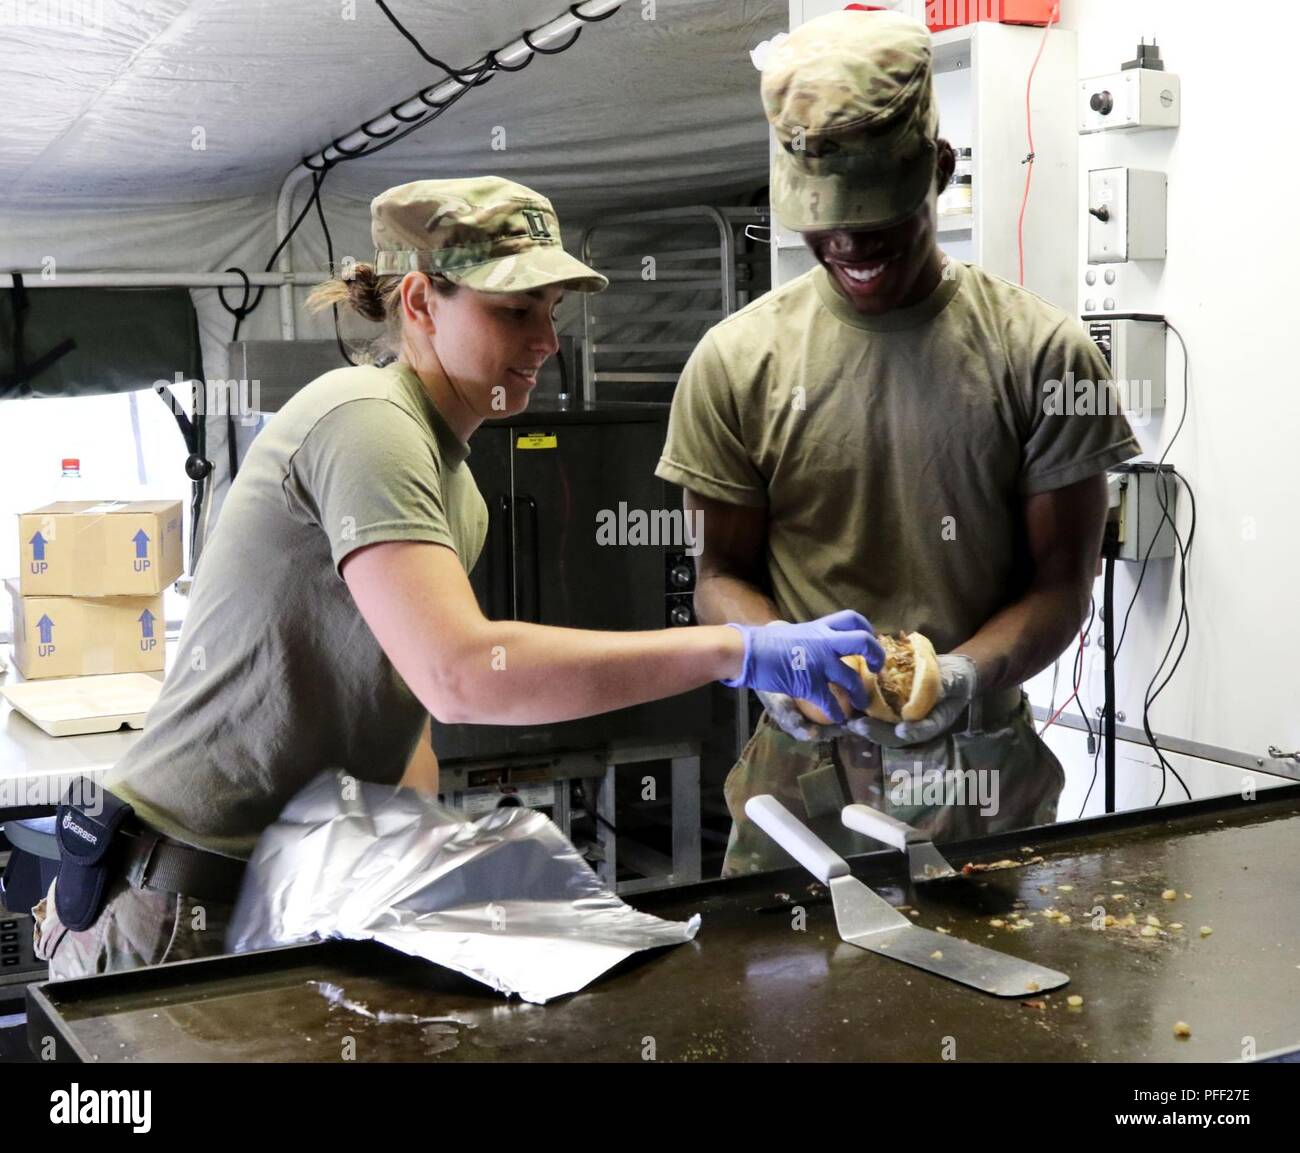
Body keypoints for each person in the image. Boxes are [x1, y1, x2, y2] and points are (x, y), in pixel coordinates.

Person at [32, 176, 883, 978]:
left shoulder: (457, 481)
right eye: (516, 311)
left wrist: (430, 869)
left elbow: (410, 717)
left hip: (269, 896)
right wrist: (734, 649)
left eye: (550, 312)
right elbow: (464, 674)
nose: (547, 342)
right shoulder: (367, 422)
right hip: (172, 907)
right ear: (418, 303)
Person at [655, 10, 1141, 876]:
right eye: (826, 219)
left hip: (983, 776)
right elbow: (721, 576)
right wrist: (774, 661)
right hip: (799, 785)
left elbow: (1063, 584)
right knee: (778, 1005)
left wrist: (959, 675)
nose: (848, 243)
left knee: (1004, 1000)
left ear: (941, 172)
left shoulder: (1037, 353)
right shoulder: (735, 362)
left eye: (878, 217)